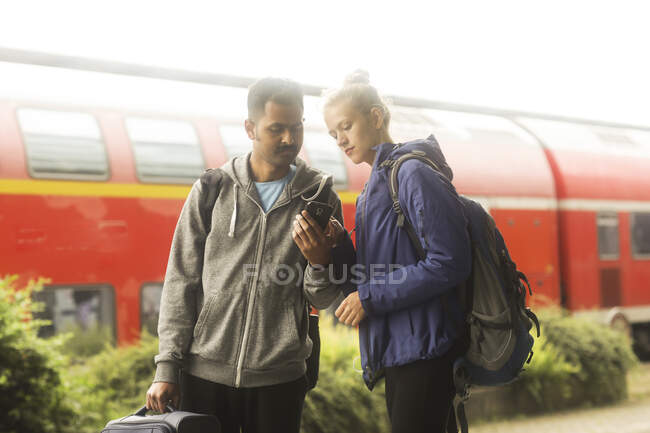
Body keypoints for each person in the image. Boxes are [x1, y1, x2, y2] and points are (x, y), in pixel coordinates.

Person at [146, 77, 347, 433]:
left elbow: (323, 296)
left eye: (296, 126)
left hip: (280, 380)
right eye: (277, 129)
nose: (290, 139)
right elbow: (181, 280)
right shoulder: (212, 189)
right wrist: (167, 368)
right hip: (203, 373)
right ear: (250, 128)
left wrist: (319, 263)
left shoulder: (320, 197)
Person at [324, 71, 472, 433]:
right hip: (401, 347)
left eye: (346, 126)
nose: (341, 140)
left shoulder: (412, 173)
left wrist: (369, 298)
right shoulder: (373, 185)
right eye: (333, 134)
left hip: (425, 348)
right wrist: (337, 247)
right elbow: (375, 273)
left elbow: (449, 262)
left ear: (376, 117)